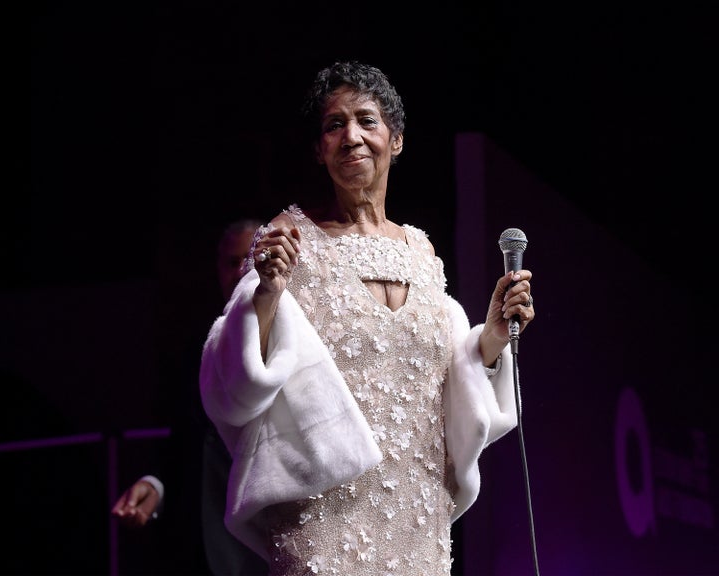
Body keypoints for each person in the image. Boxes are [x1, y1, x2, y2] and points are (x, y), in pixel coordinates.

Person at [199, 61, 535, 576]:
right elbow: (234, 374)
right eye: (335, 125)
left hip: (420, 515)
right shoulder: (291, 236)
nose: (351, 137)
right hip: (324, 521)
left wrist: (489, 337)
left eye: (367, 121)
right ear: (319, 149)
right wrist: (266, 292)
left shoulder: (421, 251)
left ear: (396, 140)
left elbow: (447, 384)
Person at [112, 219, 269, 575]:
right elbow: (184, 441)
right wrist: (155, 484)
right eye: (231, 262)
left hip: (261, 541)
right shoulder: (198, 348)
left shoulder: (294, 342)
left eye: (250, 260)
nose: (240, 271)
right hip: (198, 540)